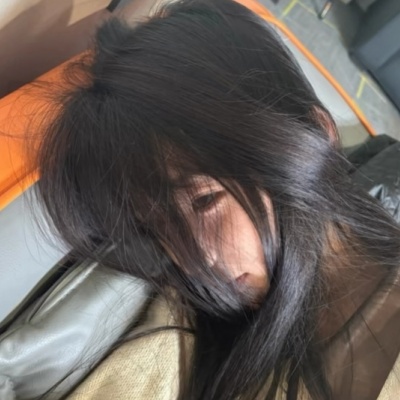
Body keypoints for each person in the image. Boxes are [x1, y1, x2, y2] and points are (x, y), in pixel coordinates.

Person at [34, 0, 400, 399]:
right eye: (159, 229)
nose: (195, 261)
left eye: (204, 201)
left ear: (313, 134)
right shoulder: (183, 335)